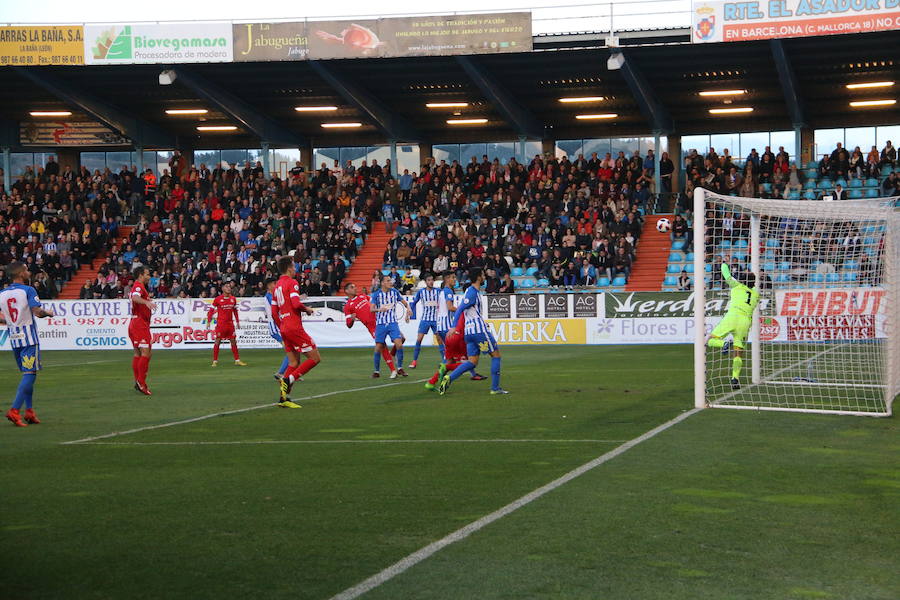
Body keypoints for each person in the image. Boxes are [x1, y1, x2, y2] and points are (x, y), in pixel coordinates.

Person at [0, 262, 55, 427]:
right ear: (20, 273)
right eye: (26, 269)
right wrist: (49, 313)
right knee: (30, 374)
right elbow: (37, 312)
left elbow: (3, 317)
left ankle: (29, 411)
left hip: (14, 338)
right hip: (29, 339)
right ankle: (14, 410)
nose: (28, 271)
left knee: (28, 374)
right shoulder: (28, 290)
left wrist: (8, 321)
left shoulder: (2, 293)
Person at [438, 267, 508, 395]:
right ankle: (495, 388)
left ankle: (449, 378)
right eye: (483, 275)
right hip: (479, 332)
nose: (485, 277)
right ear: (478, 277)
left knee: (472, 362)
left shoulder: (471, 291)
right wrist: (453, 326)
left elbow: (467, 310)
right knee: (496, 356)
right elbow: (459, 309)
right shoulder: (472, 292)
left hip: (469, 333)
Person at [272, 256, 321, 407]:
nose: (295, 269)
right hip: (294, 327)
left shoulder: (276, 286)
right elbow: (295, 303)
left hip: (284, 328)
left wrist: (283, 325)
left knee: (293, 362)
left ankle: (283, 399)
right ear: (289, 268)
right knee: (315, 358)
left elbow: (274, 312)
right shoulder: (292, 283)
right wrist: (307, 309)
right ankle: (289, 380)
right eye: (294, 266)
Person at [706, 262, 760, 390]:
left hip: (732, 316)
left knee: (709, 340)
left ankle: (723, 344)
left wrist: (724, 262)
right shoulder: (756, 295)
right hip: (745, 321)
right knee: (738, 353)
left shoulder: (736, 285)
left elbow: (725, 273)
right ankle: (735, 379)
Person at [343, 282, 397, 378]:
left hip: (382, 320)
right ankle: (393, 370)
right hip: (372, 326)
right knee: (381, 346)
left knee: (401, 339)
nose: (355, 288)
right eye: (352, 287)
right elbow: (348, 324)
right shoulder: (348, 306)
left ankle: (391, 356)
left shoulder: (363, 296)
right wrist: (352, 319)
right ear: (347, 291)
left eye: (355, 286)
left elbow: (373, 303)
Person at [370, 275, 412, 378]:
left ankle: (400, 368)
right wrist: (379, 309)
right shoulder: (376, 295)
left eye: (390, 280)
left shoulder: (394, 292)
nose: (390, 282)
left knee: (399, 344)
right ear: (382, 283)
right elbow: (371, 309)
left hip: (392, 323)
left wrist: (409, 309)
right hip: (381, 324)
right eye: (388, 281)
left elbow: (405, 303)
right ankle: (376, 371)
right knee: (378, 347)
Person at [128, 266, 156, 396]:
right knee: (146, 352)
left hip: (135, 323)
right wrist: (146, 302)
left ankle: (137, 381)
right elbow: (134, 297)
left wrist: (147, 302)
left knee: (138, 353)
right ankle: (141, 382)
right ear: (140, 275)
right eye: (147, 274)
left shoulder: (139, 286)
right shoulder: (138, 286)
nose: (149, 277)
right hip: (139, 324)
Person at [207, 282, 247, 367]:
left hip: (230, 324)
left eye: (229, 287)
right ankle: (215, 361)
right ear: (223, 289)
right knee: (218, 340)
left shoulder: (233, 299)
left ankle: (237, 360)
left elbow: (235, 311)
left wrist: (237, 322)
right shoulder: (218, 299)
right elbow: (211, 311)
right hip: (221, 324)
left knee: (233, 341)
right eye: (227, 287)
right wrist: (208, 321)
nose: (229, 288)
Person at [424, 315, 466, 391]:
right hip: (458, 338)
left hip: (449, 336)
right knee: (469, 363)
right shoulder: (468, 312)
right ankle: (445, 368)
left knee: (449, 362)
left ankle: (431, 383)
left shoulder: (459, 312)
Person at [410, 273, 440, 369]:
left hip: (436, 320)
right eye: (429, 280)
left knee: (440, 341)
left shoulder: (438, 291)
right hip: (425, 319)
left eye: (432, 280)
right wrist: (409, 312)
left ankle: (445, 360)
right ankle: (414, 361)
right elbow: (414, 303)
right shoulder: (421, 292)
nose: (431, 282)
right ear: (425, 282)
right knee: (419, 339)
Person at [264, 279, 290, 381]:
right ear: (269, 285)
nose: (276, 285)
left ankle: (288, 375)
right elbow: (280, 305)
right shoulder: (269, 297)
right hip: (275, 329)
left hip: (279, 327)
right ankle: (282, 373)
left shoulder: (272, 296)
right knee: (290, 351)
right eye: (274, 284)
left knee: (292, 350)